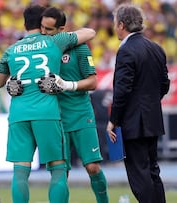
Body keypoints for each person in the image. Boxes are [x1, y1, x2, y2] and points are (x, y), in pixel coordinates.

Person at [0, 4, 95, 203]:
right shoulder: (55, 41)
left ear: (24, 23)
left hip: (19, 114)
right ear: (42, 24)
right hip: (47, 112)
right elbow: (89, 33)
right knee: (58, 168)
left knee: (20, 171)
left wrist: (11, 80)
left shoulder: (11, 49)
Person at [39, 7, 109, 203]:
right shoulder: (40, 51)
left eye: (49, 30)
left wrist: (68, 85)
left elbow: (93, 82)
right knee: (60, 173)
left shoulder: (80, 48)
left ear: (62, 30)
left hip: (80, 113)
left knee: (93, 167)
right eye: (42, 28)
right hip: (55, 118)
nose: (44, 33)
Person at [106, 4, 170, 203]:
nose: (115, 27)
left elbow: (122, 90)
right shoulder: (156, 48)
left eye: (115, 23)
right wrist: (149, 104)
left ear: (122, 24)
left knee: (139, 175)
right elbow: (165, 85)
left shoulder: (126, 51)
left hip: (134, 123)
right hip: (152, 119)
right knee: (152, 171)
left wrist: (113, 120)